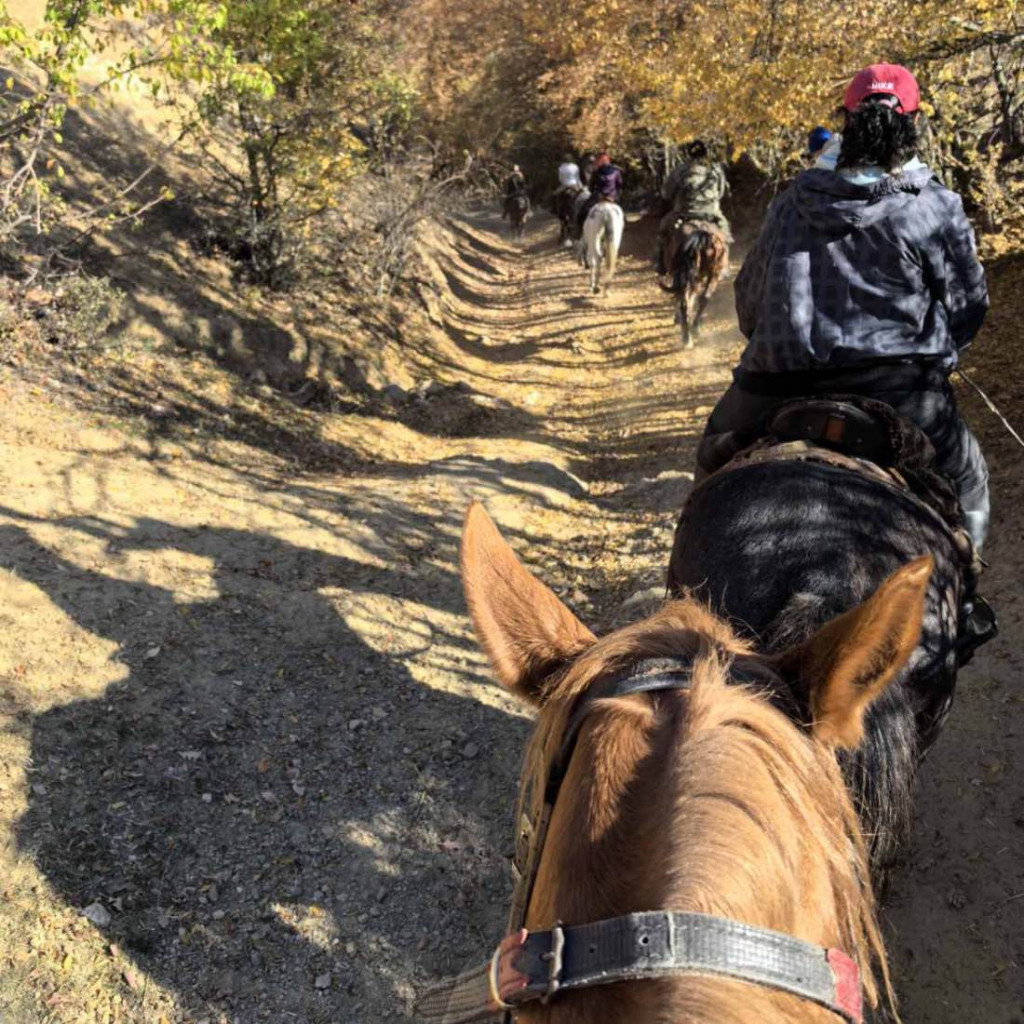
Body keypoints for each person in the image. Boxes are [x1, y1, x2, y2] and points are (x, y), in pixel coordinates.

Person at [696, 62, 991, 554]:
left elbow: (749, 306)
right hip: (902, 393)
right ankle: (966, 590)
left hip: (776, 387)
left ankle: (693, 580)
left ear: (845, 120)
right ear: (913, 122)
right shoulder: (935, 204)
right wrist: (944, 348)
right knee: (968, 476)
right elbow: (968, 307)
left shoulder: (790, 201)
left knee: (712, 452)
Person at [655, 141, 730, 275]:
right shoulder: (715, 170)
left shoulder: (679, 170)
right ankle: (724, 266)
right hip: (710, 213)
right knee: (725, 234)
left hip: (683, 213)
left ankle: (660, 263)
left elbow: (666, 193)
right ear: (706, 153)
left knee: (663, 228)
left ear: (688, 153)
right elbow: (721, 193)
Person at [576, 152, 623, 227]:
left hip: (598, 196)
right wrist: (615, 197)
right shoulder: (616, 171)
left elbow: (591, 187)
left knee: (583, 211)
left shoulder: (597, 172)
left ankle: (578, 231)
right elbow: (619, 185)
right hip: (612, 197)